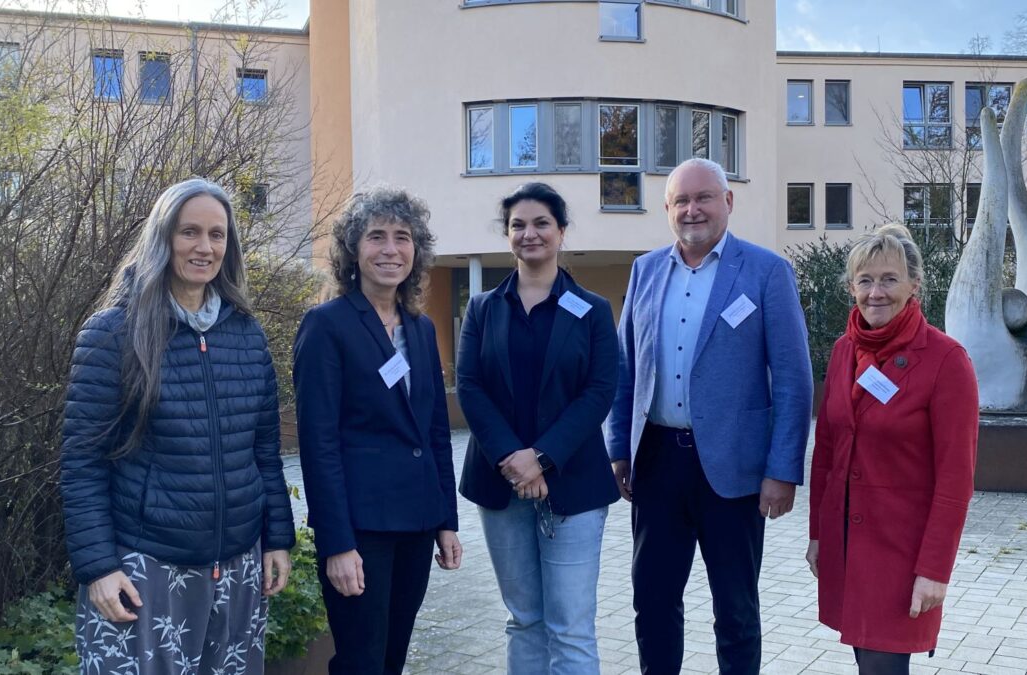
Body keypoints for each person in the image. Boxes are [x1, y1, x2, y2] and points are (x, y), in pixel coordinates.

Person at [61, 178, 295, 673]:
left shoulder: (246, 334)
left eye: (217, 234)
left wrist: (277, 538)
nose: (204, 247)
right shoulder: (112, 334)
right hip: (144, 570)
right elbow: (82, 464)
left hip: (236, 569)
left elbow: (264, 452)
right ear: (162, 237)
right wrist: (99, 567)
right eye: (189, 232)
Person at [606, 158, 814, 674]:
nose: (692, 209)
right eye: (681, 200)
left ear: (728, 202)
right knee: (652, 603)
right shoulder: (645, 270)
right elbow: (624, 367)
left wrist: (782, 469)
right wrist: (616, 448)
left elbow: (793, 378)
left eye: (703, 198)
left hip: (735, 472)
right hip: (655, 463)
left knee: (736, 610)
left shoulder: (766, 271)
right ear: (667, 209)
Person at [293, 185, 462, 674]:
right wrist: (337, 543)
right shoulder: (327, 325)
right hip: (361, 529)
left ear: (417, 249)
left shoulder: (421, 328)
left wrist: (446, 520)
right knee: (360, 662)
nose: (390, 249)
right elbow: (317, 444)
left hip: (416, 523)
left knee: (392, 658)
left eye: (402, 237)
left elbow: (435, 434)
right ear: (354, 249)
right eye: (376, 237)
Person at [456, 182, 619, 674]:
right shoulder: (483, 308)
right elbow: (470, 386)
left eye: (541, 223)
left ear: (561, 232)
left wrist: (541, 457)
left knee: (570, 625)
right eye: (518, 225)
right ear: (507, 235)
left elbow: (599, 392)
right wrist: (514, 460)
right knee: (524, 619)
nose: (530, 234)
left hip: (574, 484)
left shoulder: (592, 310)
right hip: (500, 483)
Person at [805, 224, 978, 674]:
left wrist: (935, 569)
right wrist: (819, 535)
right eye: (865, 280)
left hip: (902, 553)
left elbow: (956, 478)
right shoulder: (844, 351)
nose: (875, 292)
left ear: (914, 285)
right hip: (848, 541)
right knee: (868, 661)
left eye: (888, 279)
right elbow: (826, 448)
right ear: (851, 287)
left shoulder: (945, 360)